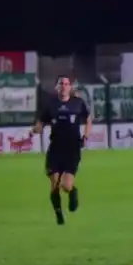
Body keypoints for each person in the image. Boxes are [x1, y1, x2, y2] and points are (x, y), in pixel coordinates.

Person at [30, 76, 91, 226]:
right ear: (57, 87)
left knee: (66, 185)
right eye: (61, 84)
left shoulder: (78, 103)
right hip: (56, 148)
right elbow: (41, 121)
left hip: (72, 149)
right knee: (54, 184)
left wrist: (86, 135)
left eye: (66, 84)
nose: (64, 86)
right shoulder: (51, 105)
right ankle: (58, 214)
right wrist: (36, 129)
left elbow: (88, 118)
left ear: (70, 87)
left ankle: (73, 192)